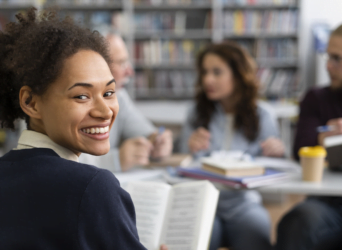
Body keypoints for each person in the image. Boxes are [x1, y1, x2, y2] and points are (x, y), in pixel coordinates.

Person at [0, 8, 168, 250]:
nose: (105, 111)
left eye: (109, 93)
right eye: (81, 96)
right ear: (31, 102)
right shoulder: (92, 187)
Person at [179, 41, 285, 250]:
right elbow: (180, 164)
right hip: (203, 201)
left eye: (217, 72)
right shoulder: (196, 112)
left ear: (238, 75)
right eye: (205, 72)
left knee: (257, 230)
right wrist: (189, 148)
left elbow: (275, 166)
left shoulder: (262, 115)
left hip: (244, 203)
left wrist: (277, 152)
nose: (208, 79)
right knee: (195, 237)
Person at [276, 20, 342, 250]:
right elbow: (300, 149)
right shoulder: (316, 98)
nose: (328, 66)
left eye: (337, 59)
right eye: (328, 57)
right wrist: (322, 139)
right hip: (329, 203)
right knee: (298, 222)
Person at [80, 33, 173, 172]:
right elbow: (62, 161)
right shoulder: (74, 105)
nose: (130, 72)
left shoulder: (120, 96)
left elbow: (147, 133)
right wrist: (115, 160)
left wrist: (158, 142)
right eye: (122, 63)